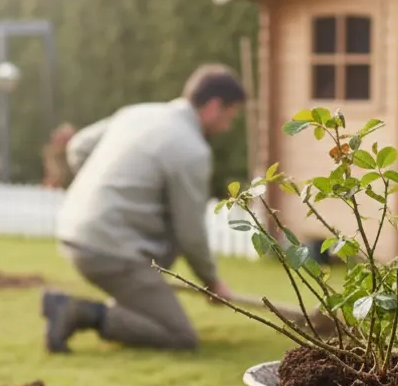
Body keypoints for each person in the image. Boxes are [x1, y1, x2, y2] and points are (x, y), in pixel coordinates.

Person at [40, 64, 245, 353]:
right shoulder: (191, 150)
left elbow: (78, 147)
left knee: (152, 293)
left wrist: (101, 190)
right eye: (230, 116)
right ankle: (79, 312)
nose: (228, 126)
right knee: (179, 335)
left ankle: (120, 307)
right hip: (112, 250)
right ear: (213, 107)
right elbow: (189, 232)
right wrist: (211, 281)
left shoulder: (138, 113)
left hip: (73, 231)